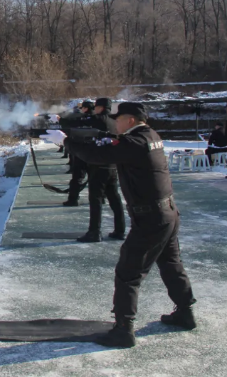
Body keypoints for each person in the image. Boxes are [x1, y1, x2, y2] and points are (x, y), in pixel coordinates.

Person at [62, 102, 196, 348]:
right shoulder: (150, 136)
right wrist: (104, 138)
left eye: (119, 119)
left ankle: (123, 330)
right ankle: (185, 312)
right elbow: (115, 147)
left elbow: (96, 156)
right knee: (171, 264)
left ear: (131, 120)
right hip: (167, 213)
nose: (116, 122)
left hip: (150, 218)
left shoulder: (134, 142)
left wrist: (66, 142)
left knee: (128, 273)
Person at [76, 98, 126, 243]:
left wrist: (60, 120)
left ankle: (94, 232)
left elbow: (78, 125)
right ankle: (120, 230)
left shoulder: (97, 120)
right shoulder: (113, 121)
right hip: (112, 165)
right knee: (114, 199)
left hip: (98, 164)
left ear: (101, 107)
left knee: (95, 199)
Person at [60, 101, 94, 206]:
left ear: (86, 108)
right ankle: (99, 198)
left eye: (82, 108)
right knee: (95, 179)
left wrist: (59, 120)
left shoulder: (85, 119)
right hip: (96, 153)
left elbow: (73, 124)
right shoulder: (98, 119)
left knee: (77, 177)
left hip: (83, 151)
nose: (81, 110)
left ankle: (73, 199)